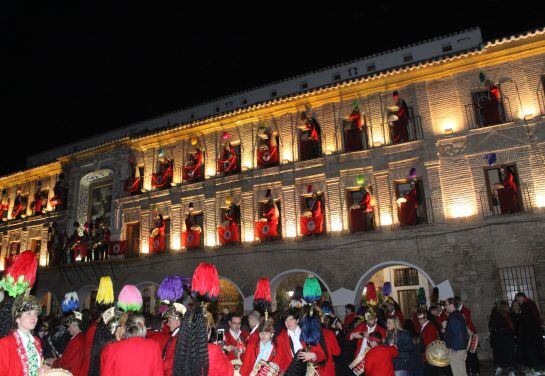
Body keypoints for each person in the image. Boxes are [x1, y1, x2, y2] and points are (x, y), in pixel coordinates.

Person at [0, 293, 50, 375]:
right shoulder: (5, 344)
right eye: (29, 313)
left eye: (35, 314)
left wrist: (42, 369)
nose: (34, 317)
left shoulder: (37, 341)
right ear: (18, 319)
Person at [272, 307, 326, 373]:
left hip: (310, 371)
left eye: (291, 319)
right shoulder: (281, 337)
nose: (288, 322)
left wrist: (314, 355)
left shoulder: (307, 333)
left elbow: (322, 354)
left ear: (297, 320)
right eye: (286, 320)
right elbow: (280, 358)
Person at [515, 292, 545, 370]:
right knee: (536, 350)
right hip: (534, 332)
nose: (518, 302)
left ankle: (535, 368)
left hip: (529, 333)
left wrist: (518, 315)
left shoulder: (526, 305)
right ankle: (537, 367)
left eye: (518, 300)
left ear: (521, 297)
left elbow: (525, 320)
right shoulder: (530, 303)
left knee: (532, 351)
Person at [489, 301, 516, 376]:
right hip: (500, 338)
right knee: (500, 354)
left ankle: (511, 369)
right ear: (504, 306)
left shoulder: (509, 314)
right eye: (507, 306)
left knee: (509, 354)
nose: (508, 307)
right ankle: (500, 368)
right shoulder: (497, 315)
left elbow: (513, 325)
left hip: (507, 338)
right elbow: (493, 326)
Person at [444, 298, 469, 376]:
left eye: (446, 304)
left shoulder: (454, 317)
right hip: (458, 349)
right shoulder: (456, 315)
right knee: (460, 372)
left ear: (452, 305)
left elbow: (458, 335)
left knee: (459, 374)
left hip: (457, 350)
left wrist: (454, 349)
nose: (445, 306)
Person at [161, 303, 185, 376]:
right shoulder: (176, 335)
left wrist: (160, 365)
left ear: (177, 322)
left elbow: (175, 359)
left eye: (169, 321)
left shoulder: (180, 337)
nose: (167, 324)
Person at [417, 311, 440, 376]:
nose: (419, 320)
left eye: (420, 318)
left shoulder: (430, 327)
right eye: (418, 318)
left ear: (425, 318)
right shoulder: (423, 326)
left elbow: (429, 342)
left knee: (431, 372)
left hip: (430, 355)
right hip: (425, 355)